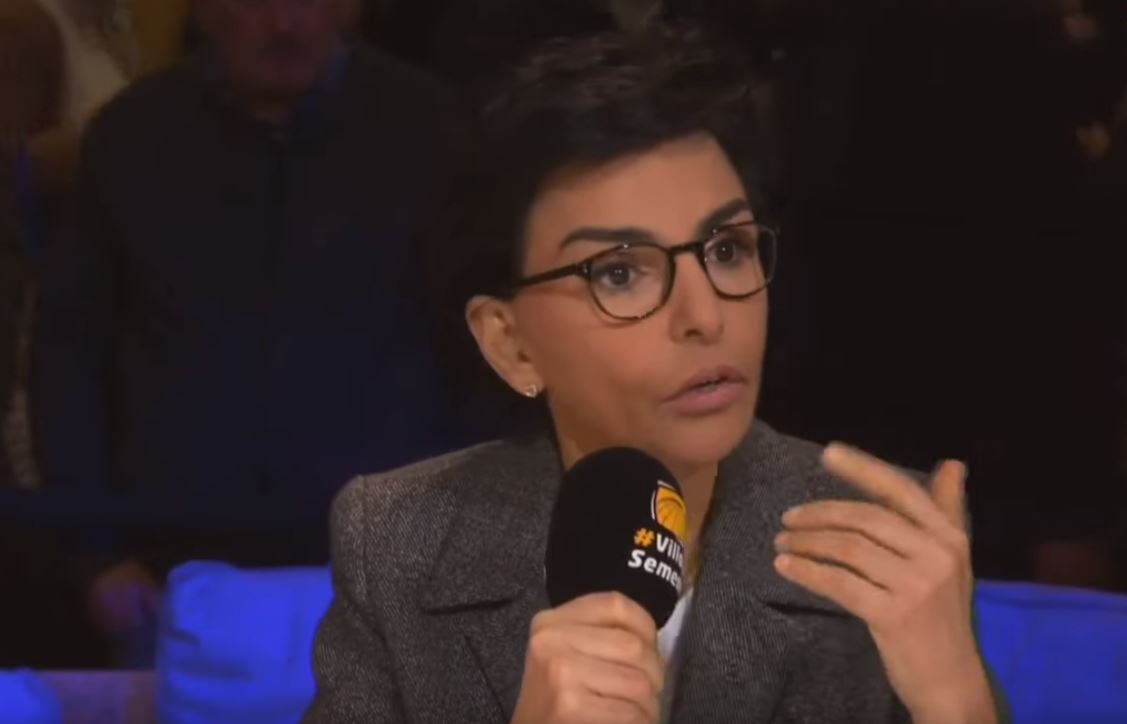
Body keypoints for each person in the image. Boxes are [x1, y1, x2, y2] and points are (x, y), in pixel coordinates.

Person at [305, 25, 1004, 723]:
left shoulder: (893, 548)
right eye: (619, 273)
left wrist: (953, 698)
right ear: (510, 343)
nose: (704, 316)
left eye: (727, 250)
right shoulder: (399, 542)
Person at [32, 0, 464, 664]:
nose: (284, 24)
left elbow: (485, 353)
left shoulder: (435, 129)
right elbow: (68, 356)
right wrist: (95, 556)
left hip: (393, 571)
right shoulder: (132, 133)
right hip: (169, 571)